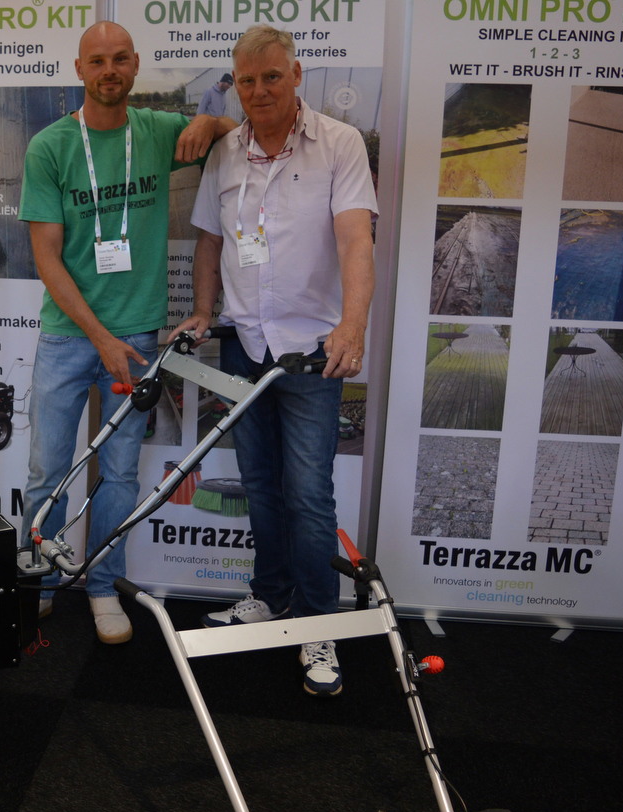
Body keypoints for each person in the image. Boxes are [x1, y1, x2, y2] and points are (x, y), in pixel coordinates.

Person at [171, 25, 377, 695]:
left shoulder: (339, 144)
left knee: (309, 494)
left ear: (296, 75)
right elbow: (210, 242)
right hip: (243, 344)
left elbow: (356, 240)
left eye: (271, 77)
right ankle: (270, 594)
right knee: (259, 482)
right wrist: (204, 310)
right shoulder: (226, 152)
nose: (259, 91)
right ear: (235, 83)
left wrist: (352, 325)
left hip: (312, 352)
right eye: (247, 80)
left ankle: (318, 623)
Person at [19, 21, 236, 644]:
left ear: (135, 65)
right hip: (69, 336)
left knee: (119, 477)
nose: (109, 70)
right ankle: (38, 583)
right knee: (47, 472)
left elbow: (237, 134)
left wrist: (210, 122)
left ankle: (100, 585)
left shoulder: (158, 131)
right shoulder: (51, 147)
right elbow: (47, 260)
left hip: (138, 336)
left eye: (119, 59)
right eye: (97, 61)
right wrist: (100, 338)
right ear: (80, 69)